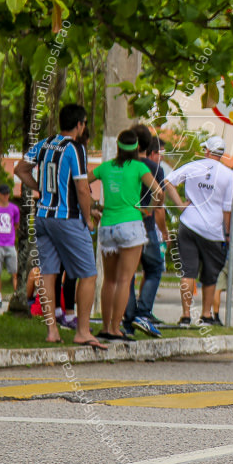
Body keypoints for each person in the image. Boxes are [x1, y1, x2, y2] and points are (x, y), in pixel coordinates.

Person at [13, 104, 105, 349]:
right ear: (80, 124)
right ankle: (82, 331)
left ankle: (52, 330)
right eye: (84, 124)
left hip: (42, 216)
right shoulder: (75, 149)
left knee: (48, 274)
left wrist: (39, 188)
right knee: (88, 274)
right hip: (67, 219)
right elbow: (83, 188)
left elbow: (20, 169)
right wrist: (87, 217)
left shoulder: (45, 143)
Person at [88, 129, 163, 341]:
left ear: (118, 147)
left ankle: (104, 327)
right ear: (137, 148)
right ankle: (114, 328)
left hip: (107, 226)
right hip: (131, 225)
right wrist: (149, 210)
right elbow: (159, 192)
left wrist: (94, 205)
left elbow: (82, 182)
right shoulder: (139, 167)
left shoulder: (106, 167)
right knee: (124, 280)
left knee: (109, 280)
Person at [163, 135, 233, 326]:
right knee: (210, 275)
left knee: (188, 272)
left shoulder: (193, 167)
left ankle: (186, 316)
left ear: (208, 151)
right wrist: (227, 234)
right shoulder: (229, 175)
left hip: (189, 225)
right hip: (213, 231)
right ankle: (206, 315)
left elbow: (168, 181)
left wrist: (180, 205)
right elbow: (227, 209)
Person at [122, 129, 169, 337]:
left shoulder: (121, 165)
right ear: (148, 145)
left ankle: (128, 319)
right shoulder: (154, 168)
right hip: (146, 226)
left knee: (127, 274)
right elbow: (159, 202)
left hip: (122, 223)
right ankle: (143, 312)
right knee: (154, 267)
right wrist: (162, 228)